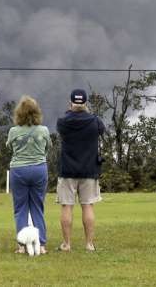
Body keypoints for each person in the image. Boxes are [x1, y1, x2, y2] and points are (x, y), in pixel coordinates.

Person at [56, 88, 105, 252]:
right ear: (85, 103)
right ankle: (89, 244)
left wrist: (71, 111)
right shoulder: (95, 121)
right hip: (89, 170)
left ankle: (67, 244)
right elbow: (101, 130)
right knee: (88, 206)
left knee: (66, 207)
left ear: (71, 102)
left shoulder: (63, 121)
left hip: (68, 170)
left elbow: (61, 127)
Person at [6, 95, 51, 254]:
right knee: (37, 207)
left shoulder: (13, 131)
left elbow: (10, 148)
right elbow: (47, 148)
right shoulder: (44, 130)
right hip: (39, 169)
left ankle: (22, 246)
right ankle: (42, 245)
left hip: (19, 170)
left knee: (20, 208)